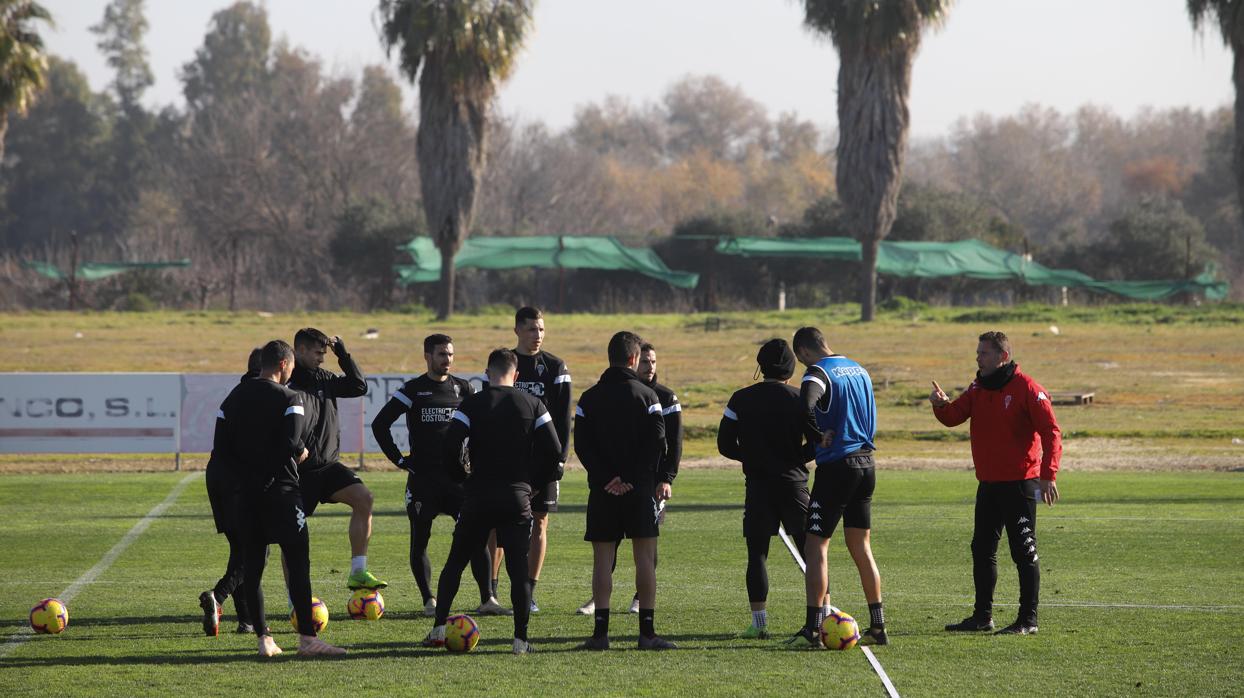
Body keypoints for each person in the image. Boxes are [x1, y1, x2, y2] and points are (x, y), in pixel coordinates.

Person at [421, 348, 563, 655]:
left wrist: (461, 477)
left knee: (455, 563)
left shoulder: (471, 403)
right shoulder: (534, 404)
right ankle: (520, 640)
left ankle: (438, 629)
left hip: (478, 496)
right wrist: (533, 484)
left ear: (487, 373)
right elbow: (554, 450)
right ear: (517, 375)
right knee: (517, 570)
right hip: (516, 497)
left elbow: (450, 445)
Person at [931, 330, 1061, 636]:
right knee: (982, 549)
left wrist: (1048, 475)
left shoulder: (1027, 388)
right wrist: (940, 404)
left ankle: (1028, 620)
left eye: (984, 353)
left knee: (1024, 551)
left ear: (1003, 356)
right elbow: (954, 417)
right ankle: (982, 617)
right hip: (988, 484)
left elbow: (1051, 432)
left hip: (1020, 484)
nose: (978, 357)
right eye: (978, 352)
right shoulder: (978, 387)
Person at [219, 339, 344, 656]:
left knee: (253, 566)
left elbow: (221, 452)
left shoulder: (232, 399)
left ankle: (264, 639)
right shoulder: (291, 397)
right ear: (285, 365)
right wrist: (300, 451)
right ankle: (308, 639)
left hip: (246, 496)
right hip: (283, 493)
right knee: (299, 564)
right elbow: (293, 442)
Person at [371, 334, 506, 617]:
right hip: (424, 482)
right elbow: (380, 424)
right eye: (442, 354)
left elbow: (482, 424)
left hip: (459, 481)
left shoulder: (464, 389)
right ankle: (428, 600)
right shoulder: (412, 390)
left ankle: (488, 600)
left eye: (451, 355)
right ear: (427, 356)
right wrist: (398, 459)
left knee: (476, 537)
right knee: (420, 540)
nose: (447, 360)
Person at [786, 326, 888, 649]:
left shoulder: (816, 373)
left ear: (802, 352)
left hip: (837, 469)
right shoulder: (859, 369)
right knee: (861, 547)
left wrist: (816, 437)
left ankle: (813, 628)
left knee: (816, 546)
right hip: (867, 464)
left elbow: (804, 407)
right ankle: (878, 625)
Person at [574, 331, 674, 650]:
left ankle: (600, 634)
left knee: (603, 559)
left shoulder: (588, 398)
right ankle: (646, 633)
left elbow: (582, 446)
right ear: (633, 359)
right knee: (644, 558)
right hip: (639, 489)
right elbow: (659, 442)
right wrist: (631, 478)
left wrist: (608, 478)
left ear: (610, 357)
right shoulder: (647, 396)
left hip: (603, 492)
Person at [717, 338, 813, 640]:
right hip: (794, 484)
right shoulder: (800, 398)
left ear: (761, 366)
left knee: (757, 554)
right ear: (791, 368)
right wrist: (797, 457)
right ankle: (820, 617)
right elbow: (818, 439)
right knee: (811, 553)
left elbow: (724, 444)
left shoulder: (740, 399)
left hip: (758, 485)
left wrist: (751, 457)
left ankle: (759, 625)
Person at [487, 307, 572, 612]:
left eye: (541, 330)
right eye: (532, 329)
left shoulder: (555, 367)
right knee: (497, 525)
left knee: (540, 522)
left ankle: (529, 592)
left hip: (542, 462)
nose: (537, 335)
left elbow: (563, 422)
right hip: (508, 462)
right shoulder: (504, 364)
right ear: (517, 331)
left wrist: (558, 462)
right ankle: (492, 593)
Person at [288, 327, 384, 590]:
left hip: (328, 467)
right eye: (318, 353)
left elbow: (358, 386)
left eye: (325, 353)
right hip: (299, 472)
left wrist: (344, 355)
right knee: (291, 534)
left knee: (364, 498)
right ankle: (293, 599)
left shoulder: (325, 378)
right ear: (301, 350)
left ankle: (358, 571)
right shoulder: (288, 384)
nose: (322, 358)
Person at [199, 347, 265, 637]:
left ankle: (246, 620)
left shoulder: (238, 393)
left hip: (218, 477)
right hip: (240, 481)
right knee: (254, 554)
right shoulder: (261, 395)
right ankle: (218, 596)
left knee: (240, 550)